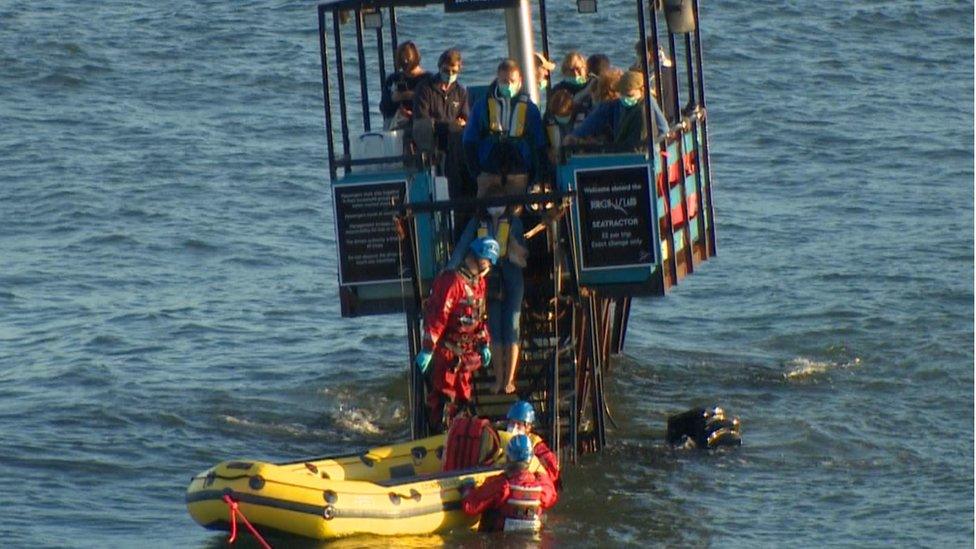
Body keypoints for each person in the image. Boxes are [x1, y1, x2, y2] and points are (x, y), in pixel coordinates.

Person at [449, 187, 528, 395]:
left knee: (512, 325)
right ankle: (497, 378)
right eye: (491, 202)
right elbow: (462, 246)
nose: (495, 207)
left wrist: (513, 244)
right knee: (493, 326)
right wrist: (449, 272)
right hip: (488, 278)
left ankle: (509, 379)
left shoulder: (514, 222)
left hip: (512, 276)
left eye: (500, 202)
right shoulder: (477, 223)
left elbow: (522, 250)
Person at [415, 237, 499, 431]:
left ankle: (460, 437)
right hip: (447, 354)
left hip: (466, 355)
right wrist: (428, 350)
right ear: (479, 258)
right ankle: (439, 436)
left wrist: (484, 343)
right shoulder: (451, 281)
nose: (488, 268)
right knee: (445, 400)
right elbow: (437, 316)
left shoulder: (479, 284)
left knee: (463, 401)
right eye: (488, 262)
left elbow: (480, 317)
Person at [463, 59, 547, 198]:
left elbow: (539, 144)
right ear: (497, 80)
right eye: (503, 81)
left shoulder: (530, 109)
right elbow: (469, 140)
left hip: (518, 172)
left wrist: (536, 177)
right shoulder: (482, 106)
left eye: (511, 81)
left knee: (516, 213)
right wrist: (476, 172)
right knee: (485, 212)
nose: (508, 85)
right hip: (488, 171)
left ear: (520, 80)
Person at [461, 434, 558, 533]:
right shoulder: (542, 487)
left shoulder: (502, 485)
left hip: (499, 539)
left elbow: (470, 506)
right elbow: (552, 496)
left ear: (508, 458)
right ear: (530, 459)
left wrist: (467, 489)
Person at [563, 70, 669, 152]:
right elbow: (592, 122)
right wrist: (574, 136)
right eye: (622, 94)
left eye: (629, 95)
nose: (624, 98)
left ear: (642, 91)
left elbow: (663, 129)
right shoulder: (614, 105)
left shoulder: (647, 105)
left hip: (640, 152)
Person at [505, 400, 560, 484]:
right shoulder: (502, 439)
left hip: (529, 484)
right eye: (511, 423)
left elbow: (552, 469)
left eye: (519, 424)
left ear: (528, 427)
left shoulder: (535, 444)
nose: (513, 427)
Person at [379, 41, 431, 130]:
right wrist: (393, 99)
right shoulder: (394, 79)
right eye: (402, 61)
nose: (405, 63)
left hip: (420, 122)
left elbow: (435, 105)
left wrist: (413, 96)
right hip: (396, 121)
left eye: (408, 60)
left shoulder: (428, 79)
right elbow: (383, 107)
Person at [631, 38, 677, 122]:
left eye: (639, 55)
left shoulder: (654, 74)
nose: (638, 58)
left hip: (662, 116)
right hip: (671, 112)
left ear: (648, 55)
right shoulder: (668, 68)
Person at [551, 51, 595, 116]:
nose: (575, 73)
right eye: (571, 70)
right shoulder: (558, 89)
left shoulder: (594, 86)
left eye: (578, 69)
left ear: (585, 69)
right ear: (565, 72)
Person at [542, 89, 575, 166]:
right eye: (559, 115)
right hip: (556, 161)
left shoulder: (581, 114)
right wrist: (549, 152)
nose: (562, 118)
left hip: (577, 159)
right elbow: (544, 141)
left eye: (564, 115)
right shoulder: (548, 118)